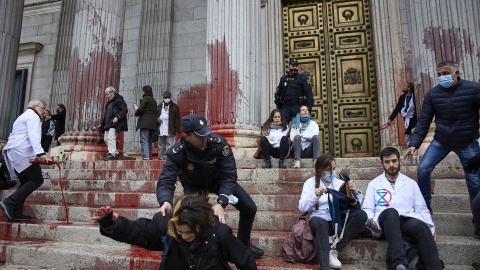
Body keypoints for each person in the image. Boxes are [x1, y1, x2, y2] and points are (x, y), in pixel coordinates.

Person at [156, 114, 264, 258]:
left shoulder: (219, 143)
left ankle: (243, 245)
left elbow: (229, 174)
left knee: (250, 208)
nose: (205, 139)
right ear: (187, 136)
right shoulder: (178, 152)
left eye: (206, 134)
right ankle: (195, 250)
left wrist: (221, 202)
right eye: (200, 136)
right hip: (193, 184)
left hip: (218, 180)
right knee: (189, 216)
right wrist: (165, 201)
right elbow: (166, 179)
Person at [91, 195, 257, 270]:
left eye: (189, 233)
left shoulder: (219, 233)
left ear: (201, 225)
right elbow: (136, 231)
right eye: (180, 231)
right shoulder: (168, 229)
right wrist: (110, 222)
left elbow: (246, 260)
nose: (184, 236)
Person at [404, 61, 480, 213]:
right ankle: (425, 207)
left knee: (475, 183)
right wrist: (414, 144)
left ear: (456, 73)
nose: (441, 77)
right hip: (441, 141)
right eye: (439, 75)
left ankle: (477, 223)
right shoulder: (433, 94)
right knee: (423, 169)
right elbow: (424, 120)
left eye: (445, 74)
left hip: (467, 142)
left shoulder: (473, 89)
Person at [363, 147, 442, 270]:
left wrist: (430, 226)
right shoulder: (374, 184)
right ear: (382, 163)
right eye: (387, 162)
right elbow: (367, 208)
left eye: (394, 161)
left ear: (400, 161)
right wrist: (371, 220)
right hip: (385, 222)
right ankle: (400, 264)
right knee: (391, 212)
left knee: (422, 227)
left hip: (407, 221)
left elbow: (421, 209)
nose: (391, 165)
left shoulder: (411, 183)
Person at [299, 154, 367, 269]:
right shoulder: (309, 183)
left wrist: (355, 192)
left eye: (334, 169)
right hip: (318, 221)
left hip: (337, 221)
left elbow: (355, 206)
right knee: (321, 223)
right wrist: (314, 195)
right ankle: (324, 266)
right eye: (328, 170)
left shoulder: (339, 184)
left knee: (361, 215)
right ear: (320, 170)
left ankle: (334, 250)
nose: (332, 172)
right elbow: (302, 207)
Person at [0, 100, 49, 221]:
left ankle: (15, 212)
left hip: (15, 151)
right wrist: (41, 153)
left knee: (25, 180)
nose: (44, 112)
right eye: (42, 108)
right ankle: (9, 202)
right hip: (22, 152)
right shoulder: (33, 116)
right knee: (37, 179)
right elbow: (34, 135)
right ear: (34, 106)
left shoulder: (24, 116)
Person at [274, 58, 314, 123]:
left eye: (296, 66)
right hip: (285, 107)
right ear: (289, 67)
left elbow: (309, 94)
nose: (295, 68)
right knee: (282, 126)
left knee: (302, 126)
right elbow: (278, 93)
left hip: (298, 106)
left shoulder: (303, 79)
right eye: (293, 66)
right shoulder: (284, 79)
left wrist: (308, 109)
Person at [384, 82, 417, 149]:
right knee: (407, 137)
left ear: (409, 88)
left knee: (414, 137)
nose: (403, 86)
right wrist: (391, 118)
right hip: (407, 121)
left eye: (405, 85)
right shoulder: (402, 97)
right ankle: (407, 152)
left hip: (415, 120)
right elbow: (397, 108)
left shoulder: (415, 97)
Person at [100, 87, 128, 161]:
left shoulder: (120, 101)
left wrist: (118, 117)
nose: (107, 96)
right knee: (106, 139)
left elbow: (124, 110)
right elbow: (106, 115)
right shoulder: (109, 103)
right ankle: (115, 152)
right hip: (108, 123)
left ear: (112, 93)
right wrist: (102, 124)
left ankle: (112, 154)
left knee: (111, 137)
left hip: (115, 123)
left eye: (107, 94)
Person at [134, 85, 158, 160]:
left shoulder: (145, 98)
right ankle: (149, 156)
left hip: (145, 122)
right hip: (152, 123)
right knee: (149, 140)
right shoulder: (153, 100)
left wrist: (136, 112)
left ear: (144, 91)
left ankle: (145, 156)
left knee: (144, 139)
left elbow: (141, 110)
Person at [157, 91, 181, 160]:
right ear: (163, 98)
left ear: (170, 97)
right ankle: (161, 157)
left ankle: (169, 158)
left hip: (171, 128)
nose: (167, 98)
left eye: (168, 97)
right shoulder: (159, 106)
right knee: (160, 144)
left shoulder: (175, 107)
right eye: (165, 97)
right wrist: (157, 119)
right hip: (161, 127)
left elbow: (177, 119)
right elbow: (155, 116)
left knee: (169, 144)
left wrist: (177, 130)